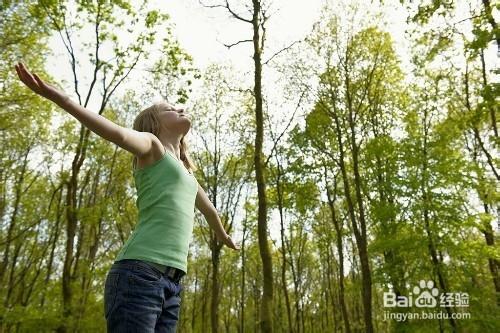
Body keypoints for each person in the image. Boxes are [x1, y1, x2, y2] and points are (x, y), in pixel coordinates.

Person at [15, 62, 240, 332]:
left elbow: (209, 210)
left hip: (172, 285)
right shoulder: (152, 147)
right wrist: (61, 99)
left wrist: (223, 235)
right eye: (171, 108)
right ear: (154, 123)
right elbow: (117, 133)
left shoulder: (187, 175)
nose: (180, 108)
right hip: (138, 274)